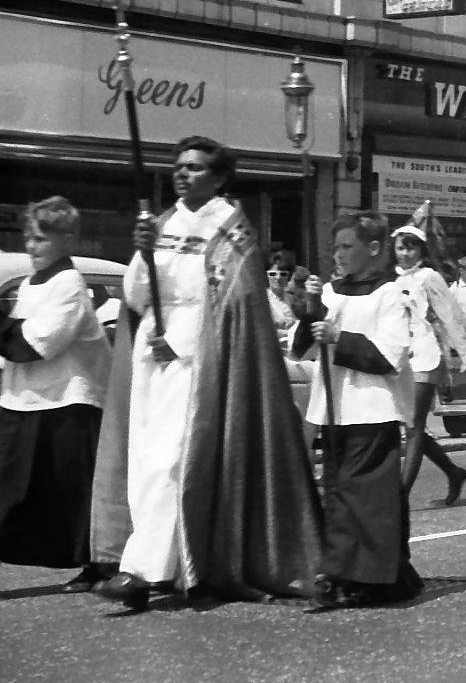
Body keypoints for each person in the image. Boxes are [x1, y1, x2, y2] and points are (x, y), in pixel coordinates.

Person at [93, 136, 320, 609]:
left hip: (201, 363)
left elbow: (232, 307)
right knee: (146, 460)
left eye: (195, 168)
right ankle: (171, 564)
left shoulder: (231, 228)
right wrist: (140, 255)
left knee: (171, 461)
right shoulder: (161, 223)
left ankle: (143, 572)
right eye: (179, 167)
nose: (183, 173)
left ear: (218, 177)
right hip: (150, 356)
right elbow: (137, 295)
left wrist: (176, 343)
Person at [296, 211, 424, 609]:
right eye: (334, 247)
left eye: (346, 247)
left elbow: (389, 355)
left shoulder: (391, 293)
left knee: (363, 498)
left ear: (373, 249)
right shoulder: (331, 292)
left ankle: (360, 575)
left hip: (372, 407)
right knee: (337, 493)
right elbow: (303, 346)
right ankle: (359, 573)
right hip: (334, 407)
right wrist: (309, 310)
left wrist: (338, 336)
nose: (337, 255)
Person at [0, 197, 113, 591]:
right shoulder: (29, 284)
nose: (32, 246)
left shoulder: (70, 284)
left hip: (69, 402)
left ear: (67, 239)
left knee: (73, 492)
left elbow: (34, 344)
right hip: (23, 399)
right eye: (29, 237)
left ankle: (98, 563)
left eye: (42, 238)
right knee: (12, 487)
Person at [389, 203, 466, 506]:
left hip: (424, 354)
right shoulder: (392, 279)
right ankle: (453, 471)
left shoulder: (429, 278)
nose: (405, 254)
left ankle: (401, 493)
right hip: (398, 357)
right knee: (410, 425)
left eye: (412, 248)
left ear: (422, 251)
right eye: (401, 247)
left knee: (413, 426)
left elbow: (450, 315)